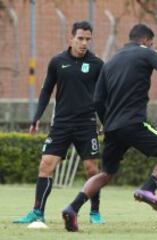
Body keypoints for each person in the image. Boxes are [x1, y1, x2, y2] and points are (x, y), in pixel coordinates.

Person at [61, 23, 157, 232]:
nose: (152, 47)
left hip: (113, 128)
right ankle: (148, 189)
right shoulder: (146, 53)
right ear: (146, 41)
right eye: (151, 44)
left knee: (106, 173)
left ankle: (72, 208)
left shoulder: (111, 62)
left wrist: (107, 123)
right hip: (134, 122)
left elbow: (98, 99)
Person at [13, 21, 105, 224]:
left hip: (87, 124)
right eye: (80, 38)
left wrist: (105, 120)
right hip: (61, 124)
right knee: (46, 165)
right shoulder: (57, 62)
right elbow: (46, 91)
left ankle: (95, 212)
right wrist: (36, 117)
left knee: (92, 169)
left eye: (88, 39)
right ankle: (38, 212)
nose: (83, 43)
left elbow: (103, 96)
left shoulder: (98, 64)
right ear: (70, 38)